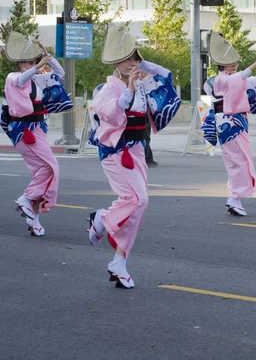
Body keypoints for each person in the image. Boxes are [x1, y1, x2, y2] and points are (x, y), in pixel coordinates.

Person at [87, 26, 181, 288]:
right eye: (126, 59)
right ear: (116, 64)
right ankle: (102, 219)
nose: (131, 64)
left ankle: (119, 262)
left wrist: (142, 65)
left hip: (136, 149)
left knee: (139, 205)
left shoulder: (141, 83)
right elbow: (111, 114)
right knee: (136, 199)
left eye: (134, 58)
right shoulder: (107, 89)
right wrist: (128, 87)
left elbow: (167, 76)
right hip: (116, 150)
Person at [1, 32, 72, 236]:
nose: (31, 64)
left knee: (40, 174)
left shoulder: (37, 80)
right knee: (51, 167)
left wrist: (46, 53)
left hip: (38, 130)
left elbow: (60, 73)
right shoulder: (13, 77)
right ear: (19, 63)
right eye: (28, 61)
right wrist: (38, 64)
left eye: (32, 60)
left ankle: (34, 219)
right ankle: (25, 199)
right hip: (25, 131)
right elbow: (23, 77)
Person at [205, 32, 256, 216]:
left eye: (235, 63)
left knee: (242, 160)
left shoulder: (237, 79)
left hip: (239, 122)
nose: (234, 66)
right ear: (221, 63)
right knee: (236, 161)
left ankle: (235, 198)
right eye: (230, 63)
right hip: (227, 125)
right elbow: (232, 82)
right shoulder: (216, 81)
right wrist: (252, 66)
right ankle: (234, 198)